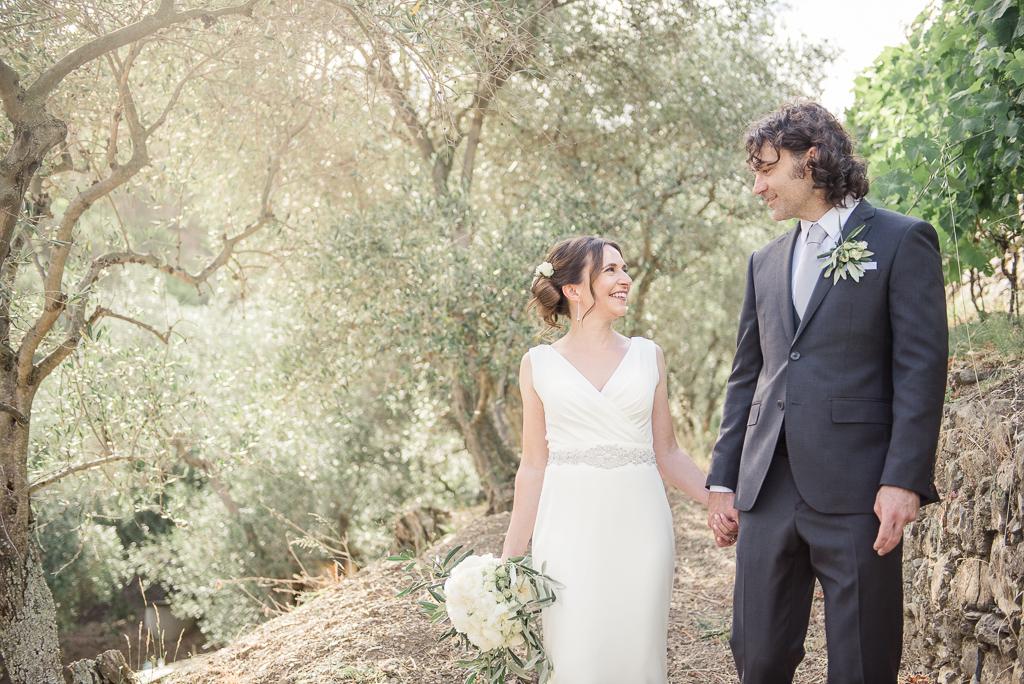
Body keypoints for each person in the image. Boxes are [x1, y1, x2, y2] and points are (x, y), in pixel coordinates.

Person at [705, 101, 948, 684]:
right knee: (757, 656)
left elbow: (921, 366)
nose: (758, 186)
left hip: (858, 487)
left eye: (766, 169)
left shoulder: (900, 240)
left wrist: (903, 479)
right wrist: (723, 477)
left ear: (809, 159)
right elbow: (749, 374)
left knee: (862, 661)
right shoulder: (764, 263)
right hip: (768, 488)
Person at [500, 235, 709, 683]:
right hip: (568, 529)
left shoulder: (647, 356)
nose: (625, 279)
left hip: (642, 526)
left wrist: (720, 502)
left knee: (638, 653)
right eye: (610, 270)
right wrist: (509, 562)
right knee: (575, 654)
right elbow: (533, 465)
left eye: (624, 268)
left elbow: (667, 452)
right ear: (574, 290)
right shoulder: (537, 365)